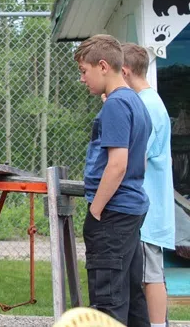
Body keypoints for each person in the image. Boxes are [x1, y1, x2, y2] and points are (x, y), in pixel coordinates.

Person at [75, 34, 150, 326]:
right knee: (131, 297)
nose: (83, 79)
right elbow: (139, 159)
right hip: (130, 210)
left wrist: (96, 211)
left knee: (107, 301)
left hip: (113, 213)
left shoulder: (116, 105)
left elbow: (117, 165)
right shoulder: (136, 101)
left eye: (84, 71)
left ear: (103, 66)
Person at [121, 43, 174, 327]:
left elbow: (137, 156)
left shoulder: (147, 106)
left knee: (149, 274)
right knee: (148, 272)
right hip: (150, 207)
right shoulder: (152, 101)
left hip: (147, 209)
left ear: (125, 72)